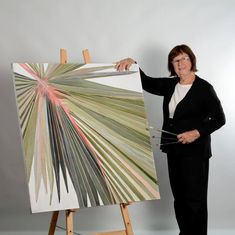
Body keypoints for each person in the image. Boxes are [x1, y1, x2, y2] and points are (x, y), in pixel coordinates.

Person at [115, 44, 226, 235]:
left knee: (194, 201)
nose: (181, 63)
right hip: (173, 150)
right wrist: (133, 64)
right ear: (172, 65)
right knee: (180, 199)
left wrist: (196, 132)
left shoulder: (204, 89)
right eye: (176, 60)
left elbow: (219, 118)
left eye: (184, 58)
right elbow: (147, 82)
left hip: (195, 153)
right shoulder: (170, 85)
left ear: (192, 61)